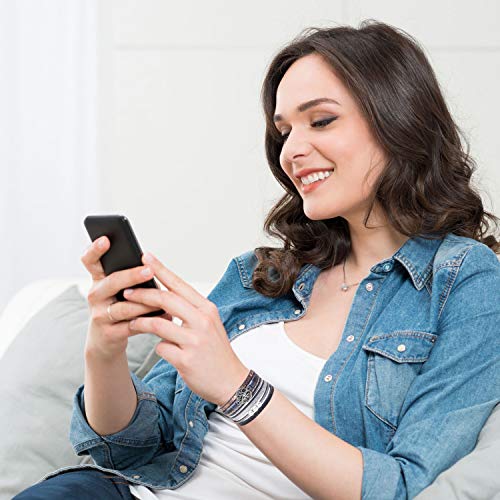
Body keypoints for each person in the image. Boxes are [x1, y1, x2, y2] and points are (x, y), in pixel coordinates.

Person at [15, 19, 500, 500]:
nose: (292, 151)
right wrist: (104, 353)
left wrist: (236, 385)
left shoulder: (465, 281)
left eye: (321, 121)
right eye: (284, 131)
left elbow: (404, 487)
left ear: (400, 121)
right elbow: (132, 447)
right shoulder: (262, 275)